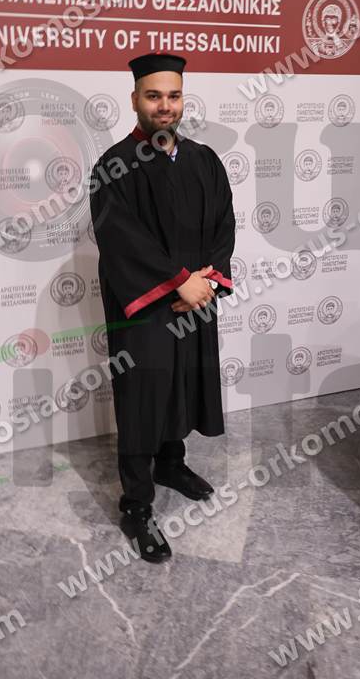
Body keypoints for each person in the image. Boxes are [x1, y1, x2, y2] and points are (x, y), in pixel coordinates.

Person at [89, 52, 236, 563]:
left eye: (173, 95)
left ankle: (171, 463)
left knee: (184, 384)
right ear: (135, 99)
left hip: (196, 300)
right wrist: (178, 283)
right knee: (142, 398)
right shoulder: (113, 166)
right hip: (146, 309)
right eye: (154, 96)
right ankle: (136, 505)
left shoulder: (204, 160)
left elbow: (224, 223)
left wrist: (207, 280)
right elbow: (119, 239)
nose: (165, 106)